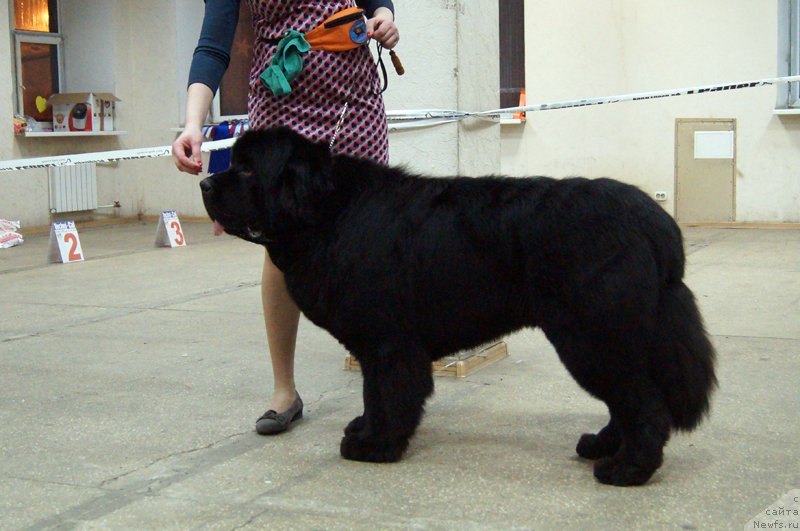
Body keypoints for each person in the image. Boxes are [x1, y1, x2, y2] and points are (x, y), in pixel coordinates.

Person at [173, 0, 399, 435]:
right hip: (281, 104)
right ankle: (284, 391)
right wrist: (192, 123)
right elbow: (214, 45)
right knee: (280, 249)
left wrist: (385, 15)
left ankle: (387, 381)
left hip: (353, 103)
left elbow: (375, 2)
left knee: (368, 244)